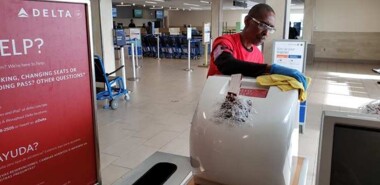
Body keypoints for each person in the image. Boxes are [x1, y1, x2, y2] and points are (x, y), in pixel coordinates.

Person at [207, 3, 307, 89]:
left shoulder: (258, 55)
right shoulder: (224, 42)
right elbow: (227, 65)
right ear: (247, 21)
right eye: (263, 25)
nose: (266, 33)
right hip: (214, 98)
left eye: (270, 28)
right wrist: (269, 68)